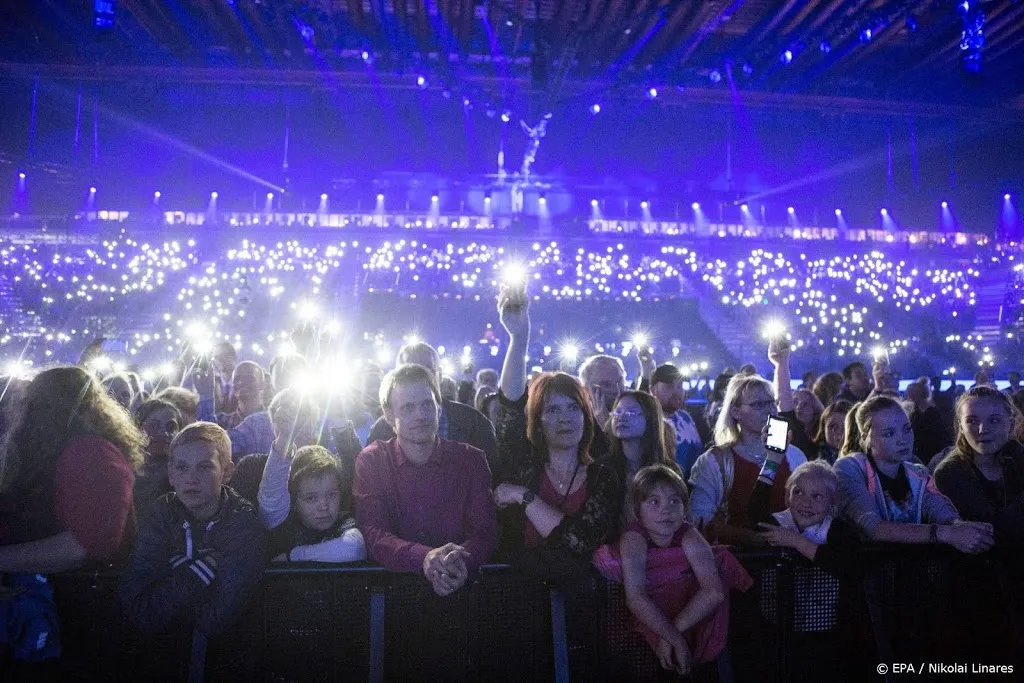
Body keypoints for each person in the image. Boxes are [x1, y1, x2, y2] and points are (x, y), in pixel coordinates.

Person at [491, 285, 622, 576]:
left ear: (586, 417)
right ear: (537, 421)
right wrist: (519, 337)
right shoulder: (523, 465)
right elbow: (511, 405)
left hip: (581, 608)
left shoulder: (603, 476)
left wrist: (524, 497)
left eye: (573, 408)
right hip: (521, 601)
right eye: (552, 410)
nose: (565, 418)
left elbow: (577, 541)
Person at [353, 364, 498, 596]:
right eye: (408, 408)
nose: (420, 415)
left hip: (463, 592)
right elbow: (372, 532)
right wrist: (424, 558)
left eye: (427, 404)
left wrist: (456, 562)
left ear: (439, 407)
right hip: (392, 594)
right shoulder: (372, 461)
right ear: (388, 415)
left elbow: (486, 532)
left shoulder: (471, 460)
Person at [119, 422, 265, 637]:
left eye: (204, 467)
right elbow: (141, 610)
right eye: (182, 467)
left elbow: (215, 620)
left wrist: (173, 576)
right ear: (171, 473)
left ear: (226, 472)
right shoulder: (160, 514)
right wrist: (199, 572)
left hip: (226, 655)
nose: (191, 478)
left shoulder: (241, 519)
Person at [0, 367, 145, 573]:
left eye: (28, 403)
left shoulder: (92, 454)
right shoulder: (62, 452)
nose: (21, 411)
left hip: (78, 598)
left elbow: (84, 546)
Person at [834, 396, 993, 553]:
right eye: (889, 433)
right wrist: (947, 533)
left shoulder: (917, 473)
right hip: (864, 572)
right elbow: (872, 527)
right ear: (866, 438)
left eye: (907, 429)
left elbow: (940, 510)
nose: (903, 440)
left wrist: (961, 527)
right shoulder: (850, 467)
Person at [618, 465, 726, 675]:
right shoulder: (633, 536)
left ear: (685, 508)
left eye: (674, 501)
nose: (666, 509)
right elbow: (636, 598)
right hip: (638, 631)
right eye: (654, 501)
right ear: (637, 509)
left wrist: (672, 636)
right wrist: (674, 639)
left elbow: (714, 592)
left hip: (688, 624)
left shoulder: (688, 533)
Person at [688, 374, 806, 547]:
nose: (770, 410)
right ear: (735, 411)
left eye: (772, 402)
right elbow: (699, 520)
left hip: (789, 556)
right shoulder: (715, 462)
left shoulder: (794, 455)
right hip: (736, 560)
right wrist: (749, 538)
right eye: (758, 404)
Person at [365, 342, 497, 469]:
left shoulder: (473, 422)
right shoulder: (382, 428)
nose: (420, 380)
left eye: (428, 371)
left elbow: (493, 474)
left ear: (440, 375)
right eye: (410, 373)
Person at [934, 386, 1024, 543]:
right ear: (961, 426)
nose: (982, 430)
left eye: (994, 420)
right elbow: (993, 530)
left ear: (1010, 424)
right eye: (972, 421)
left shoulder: (1017, 456)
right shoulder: (950, 472)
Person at [259, 444, 366, 563]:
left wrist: (292, 556)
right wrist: (284, 438)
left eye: (331, 495)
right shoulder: (284, 525)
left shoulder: (343, 522)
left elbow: (354, 549)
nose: (324, 506)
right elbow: (271, 494)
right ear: (294, 501)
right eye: (311, 498)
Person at [229, 388, 321, 506]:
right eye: (282, 414)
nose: (291, 420)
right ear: (273, 424)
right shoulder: (250, 468)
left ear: (314, 426)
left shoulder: (324, 468)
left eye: (300, 412)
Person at [606, 391, 677, 488]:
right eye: (617, 411)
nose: (621, 417)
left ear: (651, 419)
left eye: (632, 412)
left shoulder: (669, 472)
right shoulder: (603, 468)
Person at [648, 364, 703, 478]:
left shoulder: (686, 418)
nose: (677, 392)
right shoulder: (647, 422)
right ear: (653, 390)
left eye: (680, 386)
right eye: (669, 387)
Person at [133, 399, 183, 512]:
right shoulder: (124, 468)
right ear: (137, 428)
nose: (163, 432)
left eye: (171, 427)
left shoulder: (182, 474)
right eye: (154, 426)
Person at [907, 378, 953, 465]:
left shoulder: (934, 413)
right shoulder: (915, 412)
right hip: (920, 454)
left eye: (911, 394)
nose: (909, 397)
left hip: (933, 454)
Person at [578, 354, 627, 430]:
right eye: (606, 385)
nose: (616, 391)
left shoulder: (638, 416)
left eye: (619, 382)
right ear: (586, 390)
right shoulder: (578, 426)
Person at [217, 361, 266, 430]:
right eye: (237, 379)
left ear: (262, 384)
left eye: (249, 378)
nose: (241, 382)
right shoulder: (222, 422)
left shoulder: (271, 423)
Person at [812, 400, 854, 465]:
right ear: (823, 429)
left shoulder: (863, 457)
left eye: (845, 427)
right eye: (832, 426)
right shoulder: (812, 455)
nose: (839, 432)